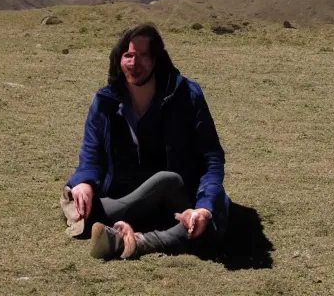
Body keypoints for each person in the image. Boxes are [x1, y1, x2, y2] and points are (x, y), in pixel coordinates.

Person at [60, 23, 231, 260]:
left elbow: (212, 157)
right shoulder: (105, 101)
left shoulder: (188, 96)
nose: (134, 63)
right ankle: (119, 228)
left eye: (143, 56)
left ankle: (134, 242)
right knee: (83, 202)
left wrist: (204, 207)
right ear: (118, 59)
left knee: (207, 214)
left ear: (157, 60)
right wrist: (84, 182)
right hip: (128, 197)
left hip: (178, 197)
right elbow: (91, 154)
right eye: (128, 55)